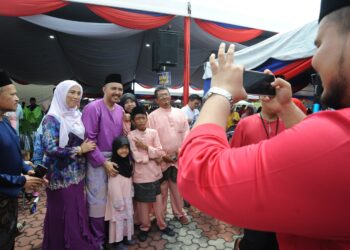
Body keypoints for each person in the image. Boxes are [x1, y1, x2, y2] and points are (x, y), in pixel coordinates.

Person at [178, 1, 350, 249]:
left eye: (320, 44)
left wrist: (220, 91)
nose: (314, 61)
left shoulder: (338, 139)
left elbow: (198, 173)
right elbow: (318, 153)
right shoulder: (249, 124)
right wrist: (286, 106)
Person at [41, 80, 98, 250]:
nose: (75, 96)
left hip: (77, 174)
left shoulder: (77, 115)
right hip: (60, 176)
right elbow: (49, 148)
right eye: (71, 92)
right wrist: (79, 149)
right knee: (63, 212)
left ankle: (76, 242)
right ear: (60, 94)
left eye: (78, 93)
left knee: (76, 210)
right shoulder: (51, 118)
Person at [231, 98, 286, 250]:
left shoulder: (288, 123)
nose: (275, 100)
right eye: (270, 95)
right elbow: (234, 156)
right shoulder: (245, 123)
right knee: (255, 240)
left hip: (281, 194)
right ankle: (242, 244)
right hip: (253, 192)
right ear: (262, 97)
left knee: (275, 241)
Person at [0, 70, 45, 250]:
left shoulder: (4, 122)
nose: (17, 98)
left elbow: (13, 155)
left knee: (8, 237)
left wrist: (27, 169)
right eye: (12, 94)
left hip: (10, 196)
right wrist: (21, 181)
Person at [82, 73, 125, 249]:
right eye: (113, 88)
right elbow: (88, 139)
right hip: (96, 160)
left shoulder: (121, 110)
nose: (117, 92)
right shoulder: (93, 108)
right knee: (97, 202)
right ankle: (97, 240)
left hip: (115, 159)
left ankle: (113, 237)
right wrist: (103, 162)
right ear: (104, 89)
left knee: (115, 199)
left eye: (120, 89)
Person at [128, 106, 175, 242]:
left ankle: (161, 224)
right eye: (138, 119)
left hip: (155, 174)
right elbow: (137, 158)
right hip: (140, 176)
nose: (141, 121)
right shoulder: (131, 135)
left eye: (143, 118)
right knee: (142, 205)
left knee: (158, 202)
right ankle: (144, 227)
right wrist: (153, 156)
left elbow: (160, 151)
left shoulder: (153, 133)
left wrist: (146, 148)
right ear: (133, 121)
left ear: (147, 119)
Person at [148, 86, 190, 225]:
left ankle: (179, 213)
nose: (165, 98)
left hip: (179, 157)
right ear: (156, 100)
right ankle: (161, 215)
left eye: (166, 95)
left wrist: (180, 150)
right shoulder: (152, 116)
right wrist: (162, 155)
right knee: (162, 190)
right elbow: (151, 138)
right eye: (161, 96)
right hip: (161, 160)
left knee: (177, 189)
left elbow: (186, 133)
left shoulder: (180, 113)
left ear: (170, 96)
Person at [105, 136, 135, 250]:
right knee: (118, 220)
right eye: (121, 148)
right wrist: (118, 201)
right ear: (115, 149)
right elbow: (113, 185)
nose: (124, 151)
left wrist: (131, 193)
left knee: (127, 217)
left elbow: (129, 180)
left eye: (126, 148)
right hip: (118, 200)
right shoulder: (114, 166)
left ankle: (126, 237)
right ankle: (117, 242)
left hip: (127, 198)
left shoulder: (128, 163)